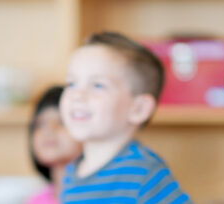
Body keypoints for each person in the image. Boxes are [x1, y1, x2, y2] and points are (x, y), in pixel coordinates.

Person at [59, 32, 191, 203]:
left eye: (97, 85)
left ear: (138, 108)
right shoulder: (70, 174)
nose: (77, 95)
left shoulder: (145, 172)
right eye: (71, 83)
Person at [27, 86, 81, 204]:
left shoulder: (98, 196)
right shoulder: (35, 200)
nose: (49, 130)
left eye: (61, 122)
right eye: (41, 124)